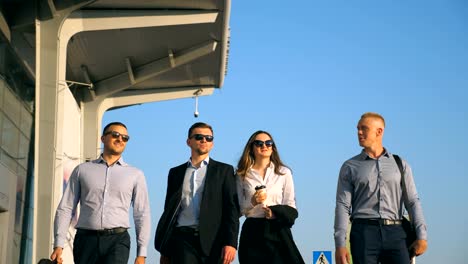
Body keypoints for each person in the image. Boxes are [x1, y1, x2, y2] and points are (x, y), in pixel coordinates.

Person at [50, 122, 151, 264]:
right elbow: (66, 208)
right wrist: (58, 244)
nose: (120, 139)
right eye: (115, 135)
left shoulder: (135, 174)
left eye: (125, 138)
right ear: (103, 138)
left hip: (118, 241)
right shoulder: (82, 170)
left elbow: (142, 213)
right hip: (86, 240)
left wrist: (142, 253)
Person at [334, 112, 428, 264]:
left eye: (364, 128)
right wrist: (340, 245)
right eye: (358, 128)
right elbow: (343, 206)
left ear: (379, 131)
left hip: (396, 234)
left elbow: (412, 201)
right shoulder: (349, 167)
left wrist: (421, 236)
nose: (359, 132)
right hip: (363, 234)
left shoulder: (400, 164)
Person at [154, 122, 239, 264]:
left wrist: (231, 242)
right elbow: (169, 211)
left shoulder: (224, 171)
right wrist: (166, 250)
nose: (204, 140)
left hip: (214, 242)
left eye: (209, 138)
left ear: (212, 143)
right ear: (189, 142)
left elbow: (231, 209)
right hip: (182, 240)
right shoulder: (176, 173)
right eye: (199, 137)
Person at [236, 130, 304, 264]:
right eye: (259, 143)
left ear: (273, 147)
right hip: (252, 232)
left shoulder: (284, 172)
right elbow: (238, 209)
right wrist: (253, 201)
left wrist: (275, 213)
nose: (264, 146)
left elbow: (291, 206)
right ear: (251, 148)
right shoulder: (241, 174)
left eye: (268, 143)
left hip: (277, 230)